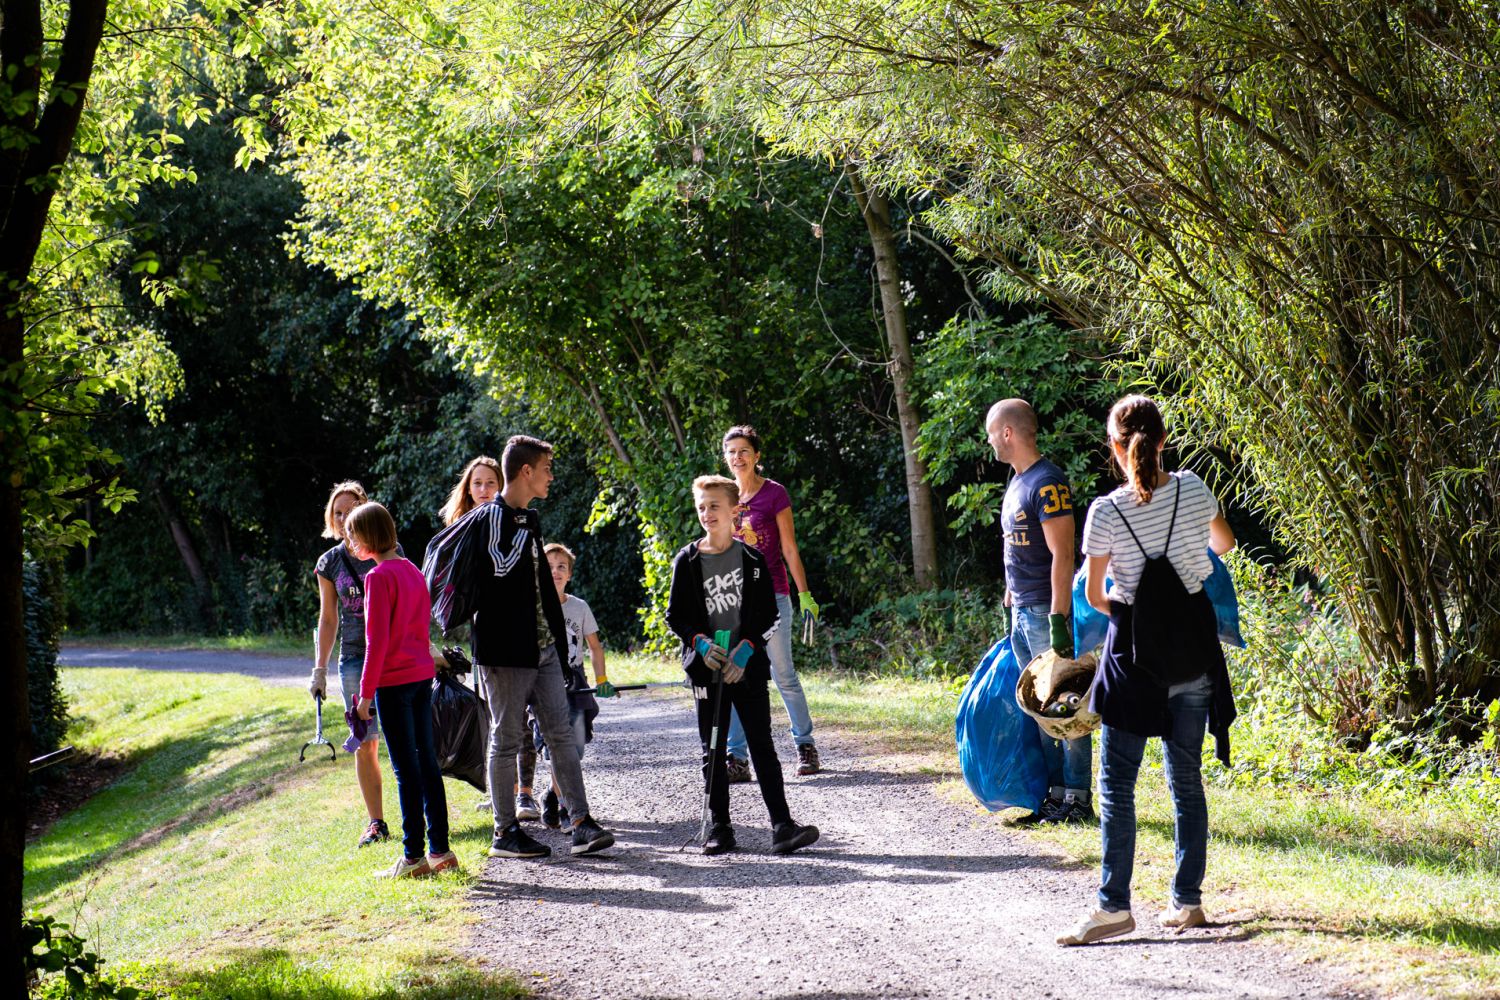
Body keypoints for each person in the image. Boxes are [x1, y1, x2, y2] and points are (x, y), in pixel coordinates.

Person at [1057, 394, 1237, 945]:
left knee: (1117, 783)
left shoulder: (1106, 512)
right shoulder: (1194, 487)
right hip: (1194, 654)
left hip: (1133, 663)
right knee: (1186, 778)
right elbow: (1224, 544)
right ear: (1163, 441)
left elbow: (1095, 595)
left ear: (1114, 446)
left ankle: (1113, 907)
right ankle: (1188, 900)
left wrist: (1134, 604)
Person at [467, 435, 615, 859]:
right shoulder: (491, 518)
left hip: (544, 649)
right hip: (504, 654)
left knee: (561, 734)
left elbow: (542, 590)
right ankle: (505, 832)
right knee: (506, 739)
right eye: (546, 469)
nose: (551, 477)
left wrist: (561, 647)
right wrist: (518, 528)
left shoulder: (527, 519)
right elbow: (498, 571)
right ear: (526, 471)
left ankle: (581, 823)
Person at [666, 474, 820, 856]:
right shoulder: (687, 560)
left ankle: (782, 826)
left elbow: (769, 615)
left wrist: (746, 650)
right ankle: (720, 827)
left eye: (714, 506)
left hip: (746, 670)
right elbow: (675, 616)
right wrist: (700, 643)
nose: (707, 513)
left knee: (761, 745)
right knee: (713, 749)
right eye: (701, 507)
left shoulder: (752, 560)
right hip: (706, 671)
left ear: (735, 511)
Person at [985, 399, 1091, 824]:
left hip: (1047, 611)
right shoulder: (1017, 481)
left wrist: (1059, 618)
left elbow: (1063, 554)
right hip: (1022, 610)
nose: (989, 441)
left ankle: (1078, 799)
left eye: (991, 433)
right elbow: (1016, 548)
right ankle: (1055, 795)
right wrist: (1010, 595)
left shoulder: (1047, 482)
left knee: (1065, 705)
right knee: (1037, 708)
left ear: (1008, 433)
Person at [345, 501, 457, 878]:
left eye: (354, 536)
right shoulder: (412, 570)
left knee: (405, 771)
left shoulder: (377, 578)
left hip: (393, 683)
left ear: (369, 537)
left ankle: (413, 858)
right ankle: (441, 851)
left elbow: (375, 642)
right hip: (421, 677)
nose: (351, 544)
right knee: (427, 764)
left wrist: (364, 696)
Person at [719, 425, 822, 780]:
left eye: (744, 451)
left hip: (774, 595)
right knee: (734, 674)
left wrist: (804, 594)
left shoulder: (774, 493)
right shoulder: (722, 495)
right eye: (731, 452)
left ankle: (805, 746)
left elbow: (789, 548)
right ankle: (736, 758)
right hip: (734, 601)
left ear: (756, 456)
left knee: (783, 674)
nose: (738, 457)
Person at [308, 481, 390, 848]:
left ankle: (420, 817)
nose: (344, 519)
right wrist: (320, 670)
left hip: (392, 656)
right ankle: (376, 823)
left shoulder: (387, 549)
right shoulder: (329, 562)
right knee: (365, 742)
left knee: (404, 738)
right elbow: (328, 619)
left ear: (364, 509)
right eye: (337, 513)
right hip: (355, 658)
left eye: (350, 510)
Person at [520, 542, 617, 830]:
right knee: (553, 746)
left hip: (574, 682)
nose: (556, 571)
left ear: (570, 574)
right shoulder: (532, 607)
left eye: (561, 567)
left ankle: (552, 794)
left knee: (575, 748)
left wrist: (601, 679)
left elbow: (595, 647)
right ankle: (565, 806)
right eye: (549, 567)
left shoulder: (579, 607)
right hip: (543, 682)